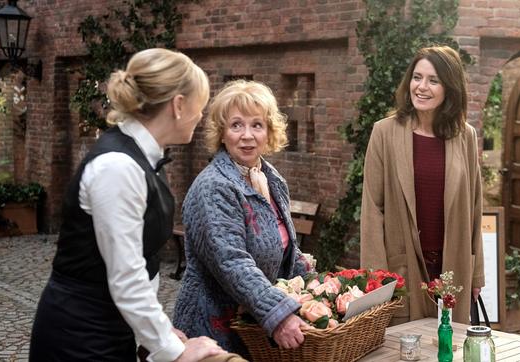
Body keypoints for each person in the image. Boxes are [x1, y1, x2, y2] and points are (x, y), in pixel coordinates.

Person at [30, 48, 224, 361]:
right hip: (80, 338)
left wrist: (157, 330)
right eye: (199, 106)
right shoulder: (117, 167)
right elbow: (126, 276)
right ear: (178, 105)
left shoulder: (141, 158)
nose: (201, 116)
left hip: (111, 330)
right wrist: (174, 351)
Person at [172, 79, 314, 357]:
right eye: (236, 125)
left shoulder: (272, 179)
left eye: (256, 125)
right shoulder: (214, 186)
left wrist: (320, 291)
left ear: (269, 131)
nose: (247, 135)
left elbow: (287, 251)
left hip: (253, 326)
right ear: (222, 133)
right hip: (212, 332)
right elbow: (232, 262)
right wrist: (279, 314)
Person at [360, 45, 484, 325]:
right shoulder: (384, 133)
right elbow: (372, 209)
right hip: (403, 269)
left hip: (454, 267)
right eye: (417, 77)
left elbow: (475, 208)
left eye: (433, 80)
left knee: (449, 347)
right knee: (405, 349)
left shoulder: (465, 136)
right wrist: (376, 277)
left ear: (449, 88)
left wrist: (476, 274)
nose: (422, 87)